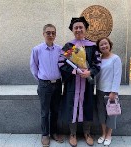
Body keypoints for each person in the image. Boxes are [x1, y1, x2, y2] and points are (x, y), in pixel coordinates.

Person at [58, 16, 101, 147]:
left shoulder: (92, 46)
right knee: (72, 107)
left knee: (87, 106)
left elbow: (97, 63)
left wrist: (90, 72)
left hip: (87, 83)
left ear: (85, 29)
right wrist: (74, 71)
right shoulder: (70, 46)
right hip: (72, 84)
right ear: (72, 30)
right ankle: (72, 134)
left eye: (81, 27)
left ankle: (87, 133)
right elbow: (61, 63)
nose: (78, 29)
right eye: (75, 27)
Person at [30, 24, 64, 146]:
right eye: (48, 33)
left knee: (55, 111)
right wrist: (42, 80)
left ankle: (54, 132)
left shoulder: (60, 49)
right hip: (45, 85)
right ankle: (45, 135)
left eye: (53, 33)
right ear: (43, 34)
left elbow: (63, 65)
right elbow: (33, 67)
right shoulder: (37, 49)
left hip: (58, 84)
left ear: (55, 35)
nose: (51, 35)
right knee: (45, 112)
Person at [95, 37, 122, 146]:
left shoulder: (115, 59)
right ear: (99, 48)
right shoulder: (99, 59)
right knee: (101, 114)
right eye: (101, 45)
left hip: (110, 92)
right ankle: (103, 133)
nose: (104, 46)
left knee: (111, 114)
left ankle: (109, 135)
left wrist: (114, 92)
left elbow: (117, 76)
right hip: (100, 90)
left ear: (110, 44)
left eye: (105, 44)